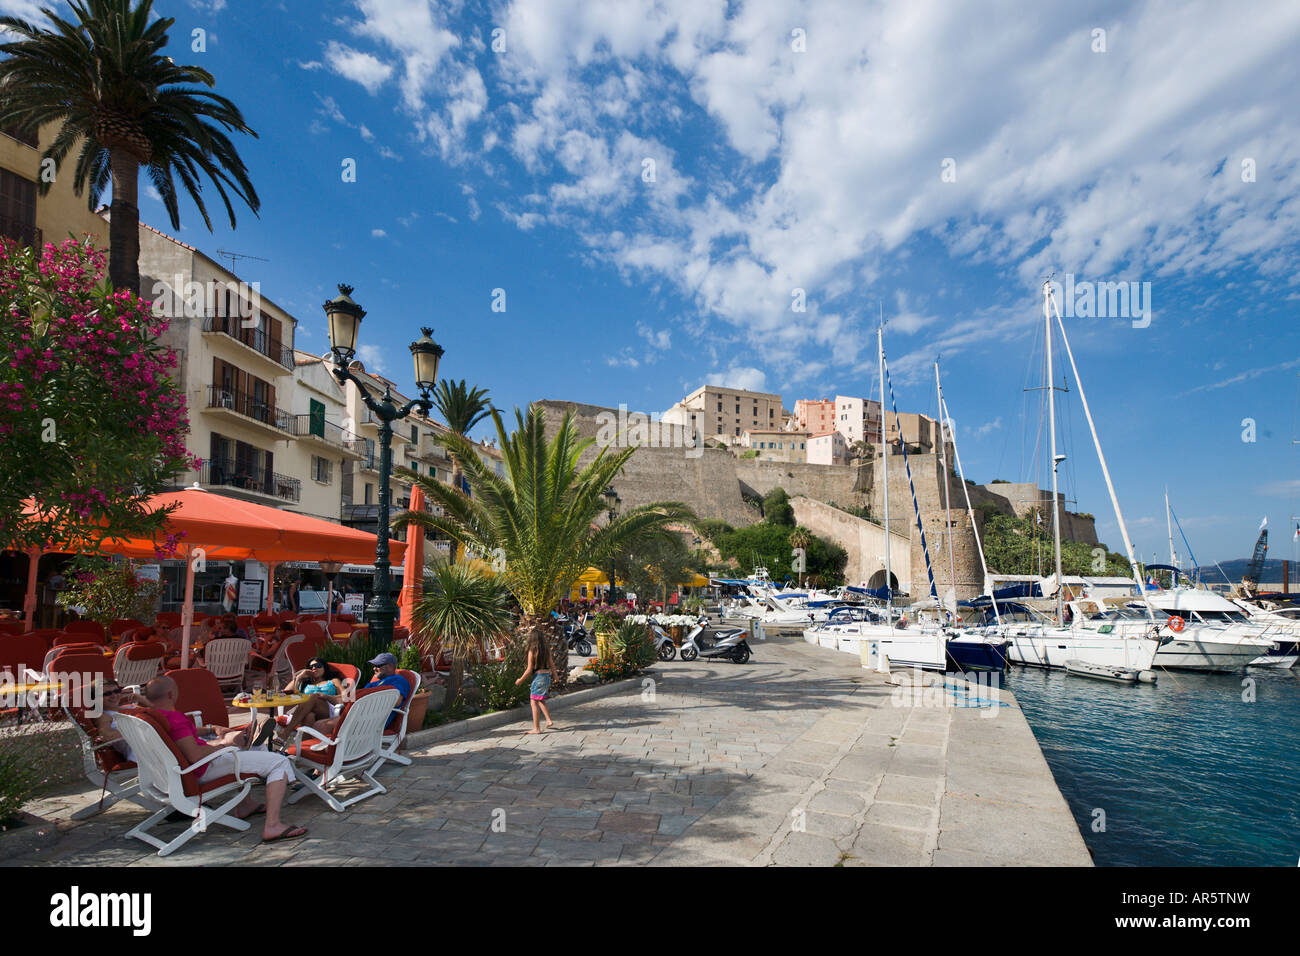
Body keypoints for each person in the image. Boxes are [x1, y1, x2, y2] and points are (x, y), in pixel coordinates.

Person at [142, 677, 305, 843]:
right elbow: (195, 755)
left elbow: (184, 739)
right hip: (200, 770)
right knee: (278, 762)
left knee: (257, 748)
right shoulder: (175, 719)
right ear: (171, 694)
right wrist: (222, 747)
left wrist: (211, 730)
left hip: (172, 775)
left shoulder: (150, 717)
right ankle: (273, 825)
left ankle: (245, 804)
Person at [273, 658, 350, 744]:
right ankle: (303, 749)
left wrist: (326, 696)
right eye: (311, 667)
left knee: (314, 696)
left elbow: (345, 697)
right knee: (310, 716)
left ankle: (285, 733)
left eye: (318, 666)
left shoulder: (333, 681)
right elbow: (286, 694)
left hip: (327, 710)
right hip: (305, 711)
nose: (314, 668)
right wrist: (298, 678)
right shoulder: (305, 683)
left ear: (324, 668)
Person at [514, 629, 554, 734]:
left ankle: (536, 728)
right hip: (546, 677)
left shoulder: (532, 651)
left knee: (533, 702)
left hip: (538, 677)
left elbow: (529, 669)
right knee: (540, 699)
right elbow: (552, 664)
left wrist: (520, 680)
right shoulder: (546, 650)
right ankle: (549, 720)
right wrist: (556, 676)